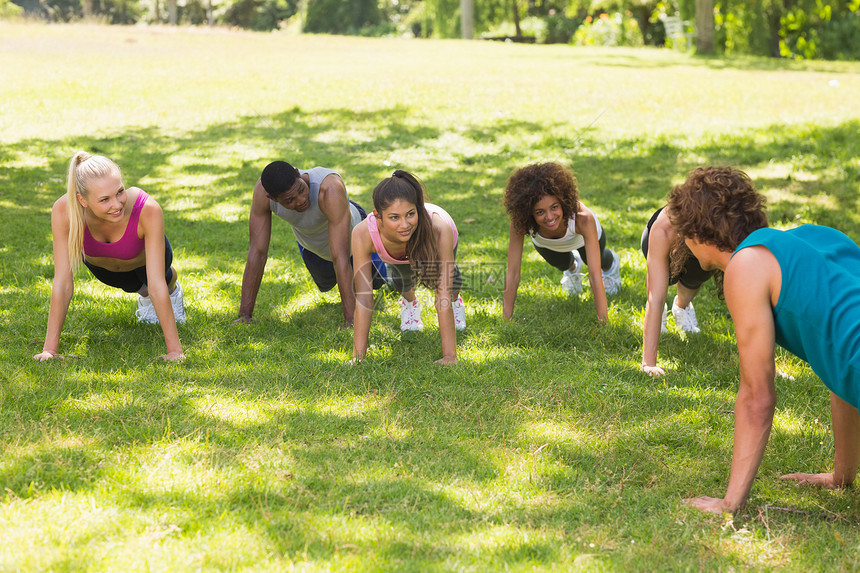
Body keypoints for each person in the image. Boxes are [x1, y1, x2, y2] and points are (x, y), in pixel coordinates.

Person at [667, 166, 860, 515]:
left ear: (697, 233)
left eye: (684, 237)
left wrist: (729, 503)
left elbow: (757, 396)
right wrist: (841, 477)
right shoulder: (814, 237)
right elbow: (840, 369)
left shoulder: (747, 265)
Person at [34, 151, 185, 362]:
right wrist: (50, 349)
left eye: (119, 192)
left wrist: (174, 351)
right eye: (104, 199)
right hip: (107, 271)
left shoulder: (147, 209)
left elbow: (156, 282)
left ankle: (173, 290)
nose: (117, 204)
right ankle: (144, 295)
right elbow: (62, 282)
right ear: (82, 200)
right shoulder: (64, 211)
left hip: (145, 260)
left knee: (156, 283)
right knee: (139, 288)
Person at [237, 161, 385, 327]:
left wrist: (350, 321)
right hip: (313, 247)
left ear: (298, 173)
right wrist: (245, 315)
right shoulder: (262, 193)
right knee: (326, 283)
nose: (300, 200)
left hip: (355, 240)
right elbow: (257, 252)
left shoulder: (329, 187)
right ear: (272, 199)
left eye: (301, 190)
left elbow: (340, 256)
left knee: (379, 282)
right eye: (290, 200)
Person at [351, 170, 465, 364]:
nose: (404, 224)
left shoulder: (439, 229)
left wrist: (449, 356)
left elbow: (441, 294)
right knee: (402, 282)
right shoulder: (362, 234)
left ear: (418, 210)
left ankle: (457, 304)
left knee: (449, 285)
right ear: (378, 216)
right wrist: (358, 357)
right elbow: (364, 298)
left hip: (436, 242)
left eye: (410, 214)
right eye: (394, 217)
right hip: (397, 255)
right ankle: (411, 304)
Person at [502, 162, 621, 323]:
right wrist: (506, 319)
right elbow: (513, 272)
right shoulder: (520, 222)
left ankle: (612, 263)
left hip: (582, 239)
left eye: (554, 207)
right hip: (549, 245)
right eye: (540, 212)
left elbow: (593, 275)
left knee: (597, 262)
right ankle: (573, 268)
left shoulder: (583, 218)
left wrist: (603, 321)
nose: (549, 217)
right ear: (528, 212)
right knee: (563, 264)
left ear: (563, 201)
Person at [640, 207, 716, 376]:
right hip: (667, 238)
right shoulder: (664, 228)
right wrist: (648, 364)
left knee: (694, 279)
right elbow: (655, 299)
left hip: (700, 242)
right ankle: (658, 317)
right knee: (662, 281)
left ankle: (681, 307)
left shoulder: (726, 231)